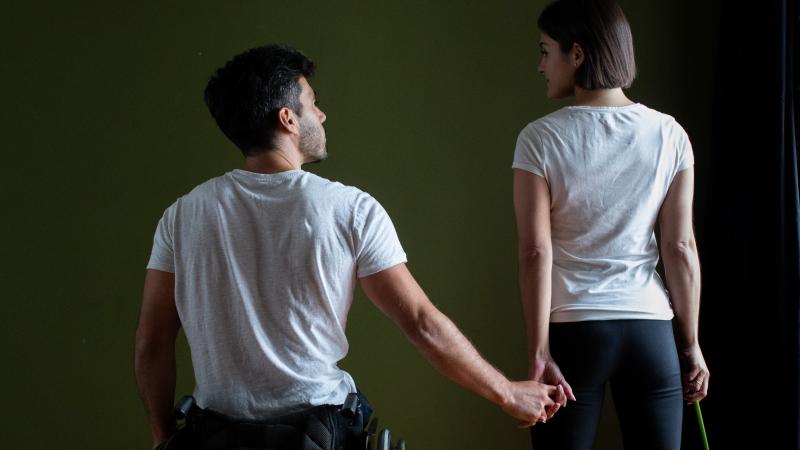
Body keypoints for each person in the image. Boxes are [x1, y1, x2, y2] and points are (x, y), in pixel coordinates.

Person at [135, 44, 565, 450]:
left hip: (217, 436)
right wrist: (507, 392)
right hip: (320, 433)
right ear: (287, 119)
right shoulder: (349, 209)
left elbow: (154, 340)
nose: (321, 115)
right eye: (311, 103)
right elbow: (420, 323)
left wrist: (161, 436)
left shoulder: (182, 215)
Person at [512, 1, 710, 449]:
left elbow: (535, 253)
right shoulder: (670, 134)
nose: (541, 65)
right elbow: (681, 247)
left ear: (576, 54)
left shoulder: (539, 139)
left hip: (575, 330)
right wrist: (692, 344)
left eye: (546, 51)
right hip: (651, 331)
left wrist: (539, 353)